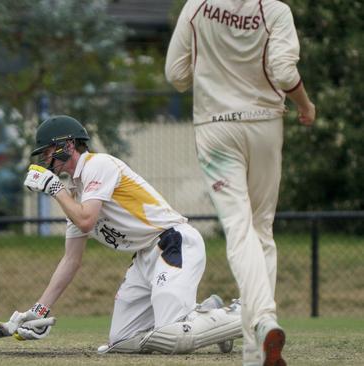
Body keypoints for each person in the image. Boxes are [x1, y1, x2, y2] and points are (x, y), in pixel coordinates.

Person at [3, 115, 242, 355]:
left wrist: (55, 189)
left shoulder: (98, 165)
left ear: (68, 145)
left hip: (172, 242)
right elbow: (71, 260)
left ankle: (239, 315)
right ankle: (206, 316)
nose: (45, 157)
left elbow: (86, 221)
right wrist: (40, 310)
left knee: (173, 335)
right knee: (121, 341)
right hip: (143, 258)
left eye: (48, 150)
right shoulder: (76, 195)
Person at [165, 1, 316, 365]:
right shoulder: (276, 10)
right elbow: (283, 71)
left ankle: (263, 320)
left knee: (238, 228)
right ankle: (255, 348)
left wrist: (208, 72)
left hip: (215, 128)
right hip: (265, 123)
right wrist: (305, 105)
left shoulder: (198, 6)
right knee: (261, 230)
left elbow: (176, 74)